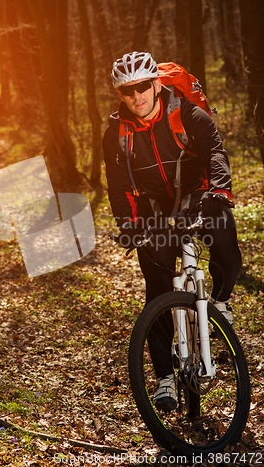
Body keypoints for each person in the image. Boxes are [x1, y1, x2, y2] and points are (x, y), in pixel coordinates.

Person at [102, 51, 242, 412]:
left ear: (156, 83)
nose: (138, 97)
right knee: (157, 288)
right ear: (121, 95)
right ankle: (165, 377)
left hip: (197, 193)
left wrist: (219, 191)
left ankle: (222, 303)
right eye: (128, 91)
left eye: (143, 87)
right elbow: (118, 187)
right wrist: (129, 225)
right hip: (155, 209)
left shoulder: (186, 114)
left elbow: (214, 150)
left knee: (223, 234)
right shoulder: (116, 134)